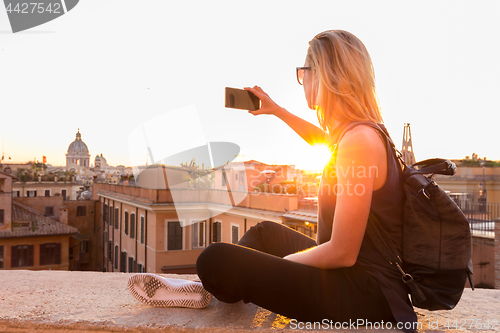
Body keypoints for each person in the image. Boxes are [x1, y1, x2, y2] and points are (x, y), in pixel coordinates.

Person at [196, 30, 418, 331]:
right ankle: (225, 287)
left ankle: (214, 288)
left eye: (304, 71)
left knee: (214, 259)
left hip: (363, 294)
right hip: (359, 281)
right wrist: (277, 110)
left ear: (326, 75)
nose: (302, 79)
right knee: (265, 234)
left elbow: (342, 251)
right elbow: (324, 140)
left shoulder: (358, 142)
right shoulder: (359, 134)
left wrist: (283, 266)